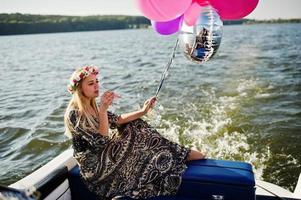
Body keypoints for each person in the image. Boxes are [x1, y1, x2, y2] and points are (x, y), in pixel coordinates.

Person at [64, 66, 205, 199]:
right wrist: (103, 110)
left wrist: (143, 111)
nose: (96, 86)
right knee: (132, 132)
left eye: (97, 81)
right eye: (90, 83)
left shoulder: (93, 106)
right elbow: (102, 141)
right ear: (79, 89)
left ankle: (171, 154)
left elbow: (118, 120)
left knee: (133, 124)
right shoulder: (74, 114)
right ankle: (175, 155)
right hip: (94, 167)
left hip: (104, 153)